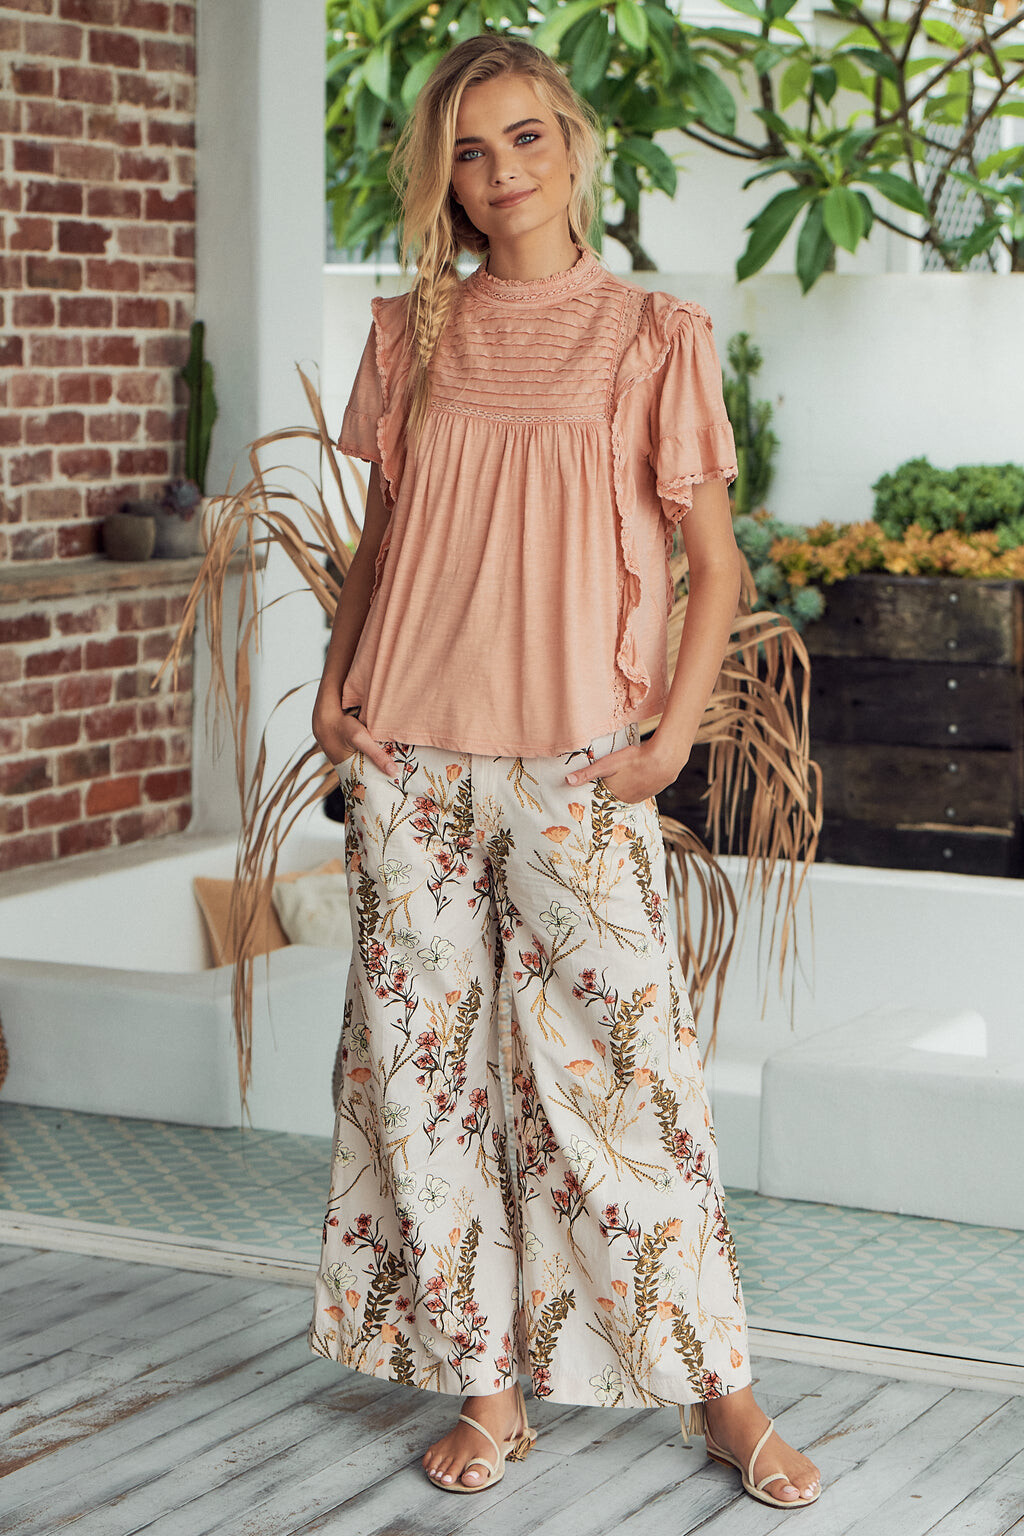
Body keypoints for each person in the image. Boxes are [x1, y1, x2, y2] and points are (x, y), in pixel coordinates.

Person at [308, 34, 821, 1510]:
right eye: (469, 151)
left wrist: (673, 734)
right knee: (427, 1085)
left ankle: (721, 1395)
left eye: (526, 136)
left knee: (634, 1078)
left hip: (580, 768)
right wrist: (337, 686)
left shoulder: (656, 334)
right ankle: (490, 1391)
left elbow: (715, 565)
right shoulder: (409, 332)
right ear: (442, 176)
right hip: (409, 755)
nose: (502, 173)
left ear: (575, 142)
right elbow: (384, 543)